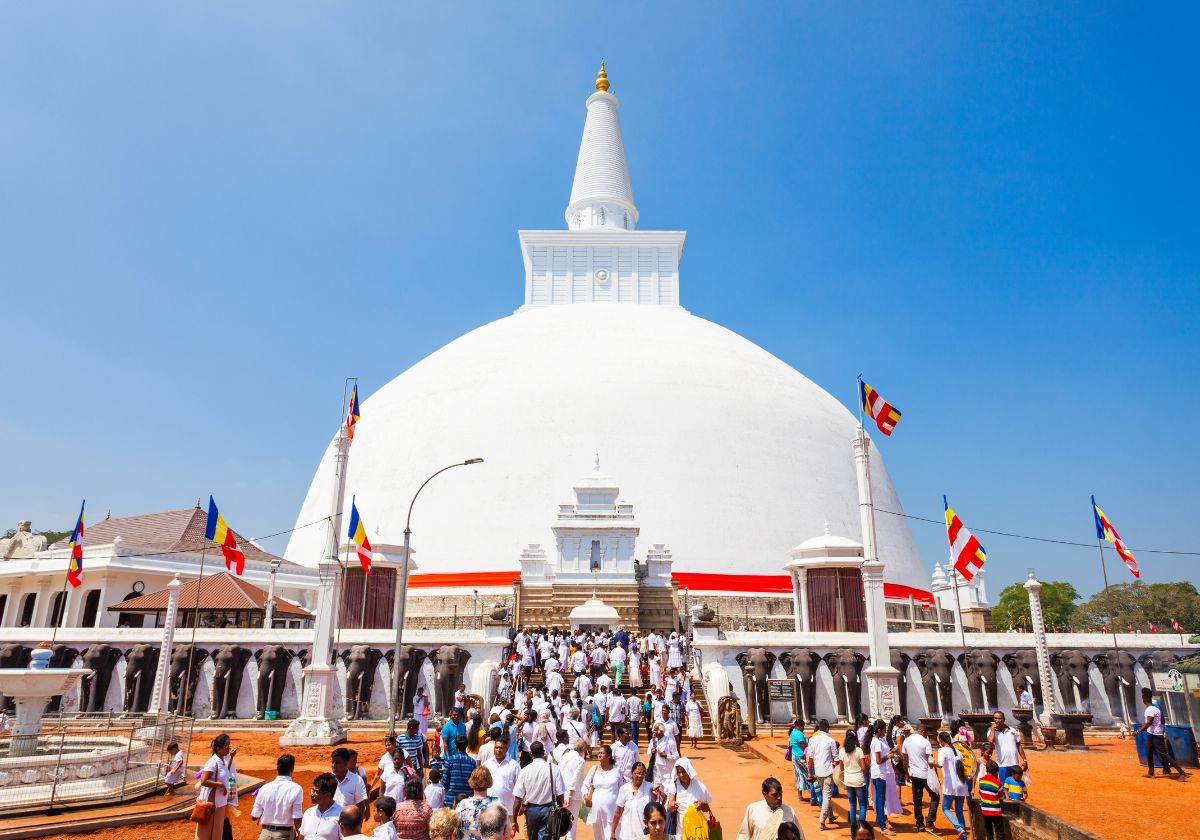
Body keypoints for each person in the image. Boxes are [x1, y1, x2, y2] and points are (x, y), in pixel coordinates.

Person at [512, 741, 565, 840]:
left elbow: (518, 798)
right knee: (545, 837)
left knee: (532, 837)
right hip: (548, 810)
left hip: (531, 811)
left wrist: (514, 820)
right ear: (543, 752)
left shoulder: (524, 771)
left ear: (531, 753)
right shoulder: (554, 768)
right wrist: (560, 811)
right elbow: (560, 794)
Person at [252, 753, 305, 840]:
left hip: (265, 835)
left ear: (277, 768)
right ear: (292, 769)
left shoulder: (264, 788)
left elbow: (254, 817)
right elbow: (297, 817)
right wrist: (301, 835)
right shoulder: (296, 789)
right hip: (285, 835)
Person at [1137, 687, 1188, 777]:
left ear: (1145, 699)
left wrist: (1138, 731)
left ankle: (1182, 772)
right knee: (1148, 750)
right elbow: (1147, 722)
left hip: (1156, 735)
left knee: (1163, 754)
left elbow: (1149, 722)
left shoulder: (1151, 709)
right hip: (1152, 733)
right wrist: (1143, 726)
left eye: (1143, 698)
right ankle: (1151, 772)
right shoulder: (1154, 708)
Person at [864, 720, 900, 834]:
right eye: (884, 730)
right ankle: (882, 826)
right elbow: (879, 760)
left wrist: (892, 751)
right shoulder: (877, 742)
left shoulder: (878, 740)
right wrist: (889, 756)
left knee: (880, 799)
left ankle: (881, 823)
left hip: (880, 773)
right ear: (879, 730)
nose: (885, 731)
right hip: (879, 773)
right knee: (880, 800)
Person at [901, 722, 938, 832]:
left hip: (913, 774)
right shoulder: (925, 742)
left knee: (917, 800)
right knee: (935, 796)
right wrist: (935, 775)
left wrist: (907, 774)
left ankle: (920, 824)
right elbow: (930, 760)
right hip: (925, 774)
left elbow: (904, 760)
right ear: (923, 732)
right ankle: (930, 819)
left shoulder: (906, 741)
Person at [196, 734, 234, 840]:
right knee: (206, 830)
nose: (228, 748)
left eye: (229, 745)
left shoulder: (222, 760)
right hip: (211, 802)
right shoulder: (212, 762)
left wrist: (231, 757)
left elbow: (225, 771)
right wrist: (220, 785)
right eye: (226, 745)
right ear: (218, 748)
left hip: (220, 803)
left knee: (217, 830)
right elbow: (203, 781)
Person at [583, 744, 623, 840]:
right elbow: (585, 785)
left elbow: (622, 788)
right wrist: (585, 795)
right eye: (599, 753)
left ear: (609, 756)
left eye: (602, 753)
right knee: (598, 835)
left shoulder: (617, 770)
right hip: (596, 810)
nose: (599, 755)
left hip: (612, 810)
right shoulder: (594, 769)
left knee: (613, 834)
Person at [934, 731, 968, 840]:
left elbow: (940, 764)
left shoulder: (942, 750)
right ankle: (964, 837)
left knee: (945, 808)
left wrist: (931, 763)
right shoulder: (958, 751)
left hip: (951, 785)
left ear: (941, 740)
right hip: (961, 784)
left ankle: (958, 828)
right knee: (959, 811)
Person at [805, 720, 837, 831]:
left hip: (818, 771)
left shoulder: (812, 739)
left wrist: (810, 772)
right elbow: (836, 758)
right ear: (827, 728)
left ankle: (831, 815)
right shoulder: (830, 740)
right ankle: (822, 820)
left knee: (825, 795)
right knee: (827, 795)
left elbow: (810, 758)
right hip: (828, 771)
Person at [665, 757, 711, 836]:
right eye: (679, 772)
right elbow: (670, 807)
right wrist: (672, 805)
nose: (681, 775)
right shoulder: (674, 785)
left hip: (696, 829)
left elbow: (707, 808)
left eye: (684, 771)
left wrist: (701, 805)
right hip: (680, 829)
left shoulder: (699, 786)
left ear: (689, 771)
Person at [611, 761, 654, 840]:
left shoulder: (649, 787)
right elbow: (618, 813)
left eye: (643, 773)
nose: (640, 776)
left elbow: (657, 808)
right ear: (632, 773)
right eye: (637, 773)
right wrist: (613, 831)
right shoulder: (624, 789)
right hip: (627, 833)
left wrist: (659, 796)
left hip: (644, 834)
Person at [987, 712, 1028, 788]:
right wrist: (992, 729)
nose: (997, 720)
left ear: (1004, 719)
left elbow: (1019, 745)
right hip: (1002, 765)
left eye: (999, 718)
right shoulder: (991, 732)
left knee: (1015, 787)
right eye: (995, 718)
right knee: (1004, 788)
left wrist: (1024, 760)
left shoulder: (1012, 730)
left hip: (1014, 764)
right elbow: (991, 741)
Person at [455, 767, 497, 840]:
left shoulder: (462, 804)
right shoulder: (497, 804)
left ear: (472, 780)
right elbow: (506, 831)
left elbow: (456, 829)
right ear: (490, 780)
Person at [837, 731, 869, 825]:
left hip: (848, 781)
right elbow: (863, 768)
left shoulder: (842, 751)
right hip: (859, 780)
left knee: (852, 805)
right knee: (862, 806)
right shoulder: (859, 750)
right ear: (855, 739)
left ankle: (853, 827)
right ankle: (861, 826)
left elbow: (841, 767)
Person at [482, 737, 520, 814]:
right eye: (496, 747)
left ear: (506, 749)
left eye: (501, 748)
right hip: (489, 808)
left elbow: (519, 787)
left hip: (508, 810)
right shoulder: (486, 764)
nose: (498, 750)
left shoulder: (514, 765)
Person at [301, 773, 343, 840]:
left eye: (316, 792)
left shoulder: (341, 815)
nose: (312, 794)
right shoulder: (308, 813)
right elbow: (302, 837)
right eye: (313, 790)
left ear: (327, 795)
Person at [444, 736, 477, 806]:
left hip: (451, 800)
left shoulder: (449, 760)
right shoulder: (472, 762)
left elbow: (445, 781)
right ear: (466, 746)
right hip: (467, 800)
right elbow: (474, 781)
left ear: (455, 746)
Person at [976, 760, 1004, 840]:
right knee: (999, 832)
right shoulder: (998, 784)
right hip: (996, 811)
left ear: (986, 770)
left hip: (985, 810)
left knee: (988, 830)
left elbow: (980, 792)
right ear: (996, 773)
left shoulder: (981, 781)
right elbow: (1001, 797)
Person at [648, 722, 679, 792]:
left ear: (661, 731)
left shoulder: (670, 742)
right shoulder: (652, 741)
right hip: (656, 773)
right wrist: (651, 751)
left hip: (667, 774)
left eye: (655, 730)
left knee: (667, 793)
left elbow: (677, 757)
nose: (653, 732)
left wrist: (666, 756)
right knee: (657, 793)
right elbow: (649, 753)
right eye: (653, 730)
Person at [785, 720, 810, 803]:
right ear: (799, 726)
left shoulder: (792, 732)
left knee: (798, 775)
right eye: (803, 727)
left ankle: (800, 795)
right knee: (808, 775)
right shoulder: (799, 734)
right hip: (800, 757)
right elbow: (803, 746)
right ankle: (814, 795)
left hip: (794, 756)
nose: (804, 729)